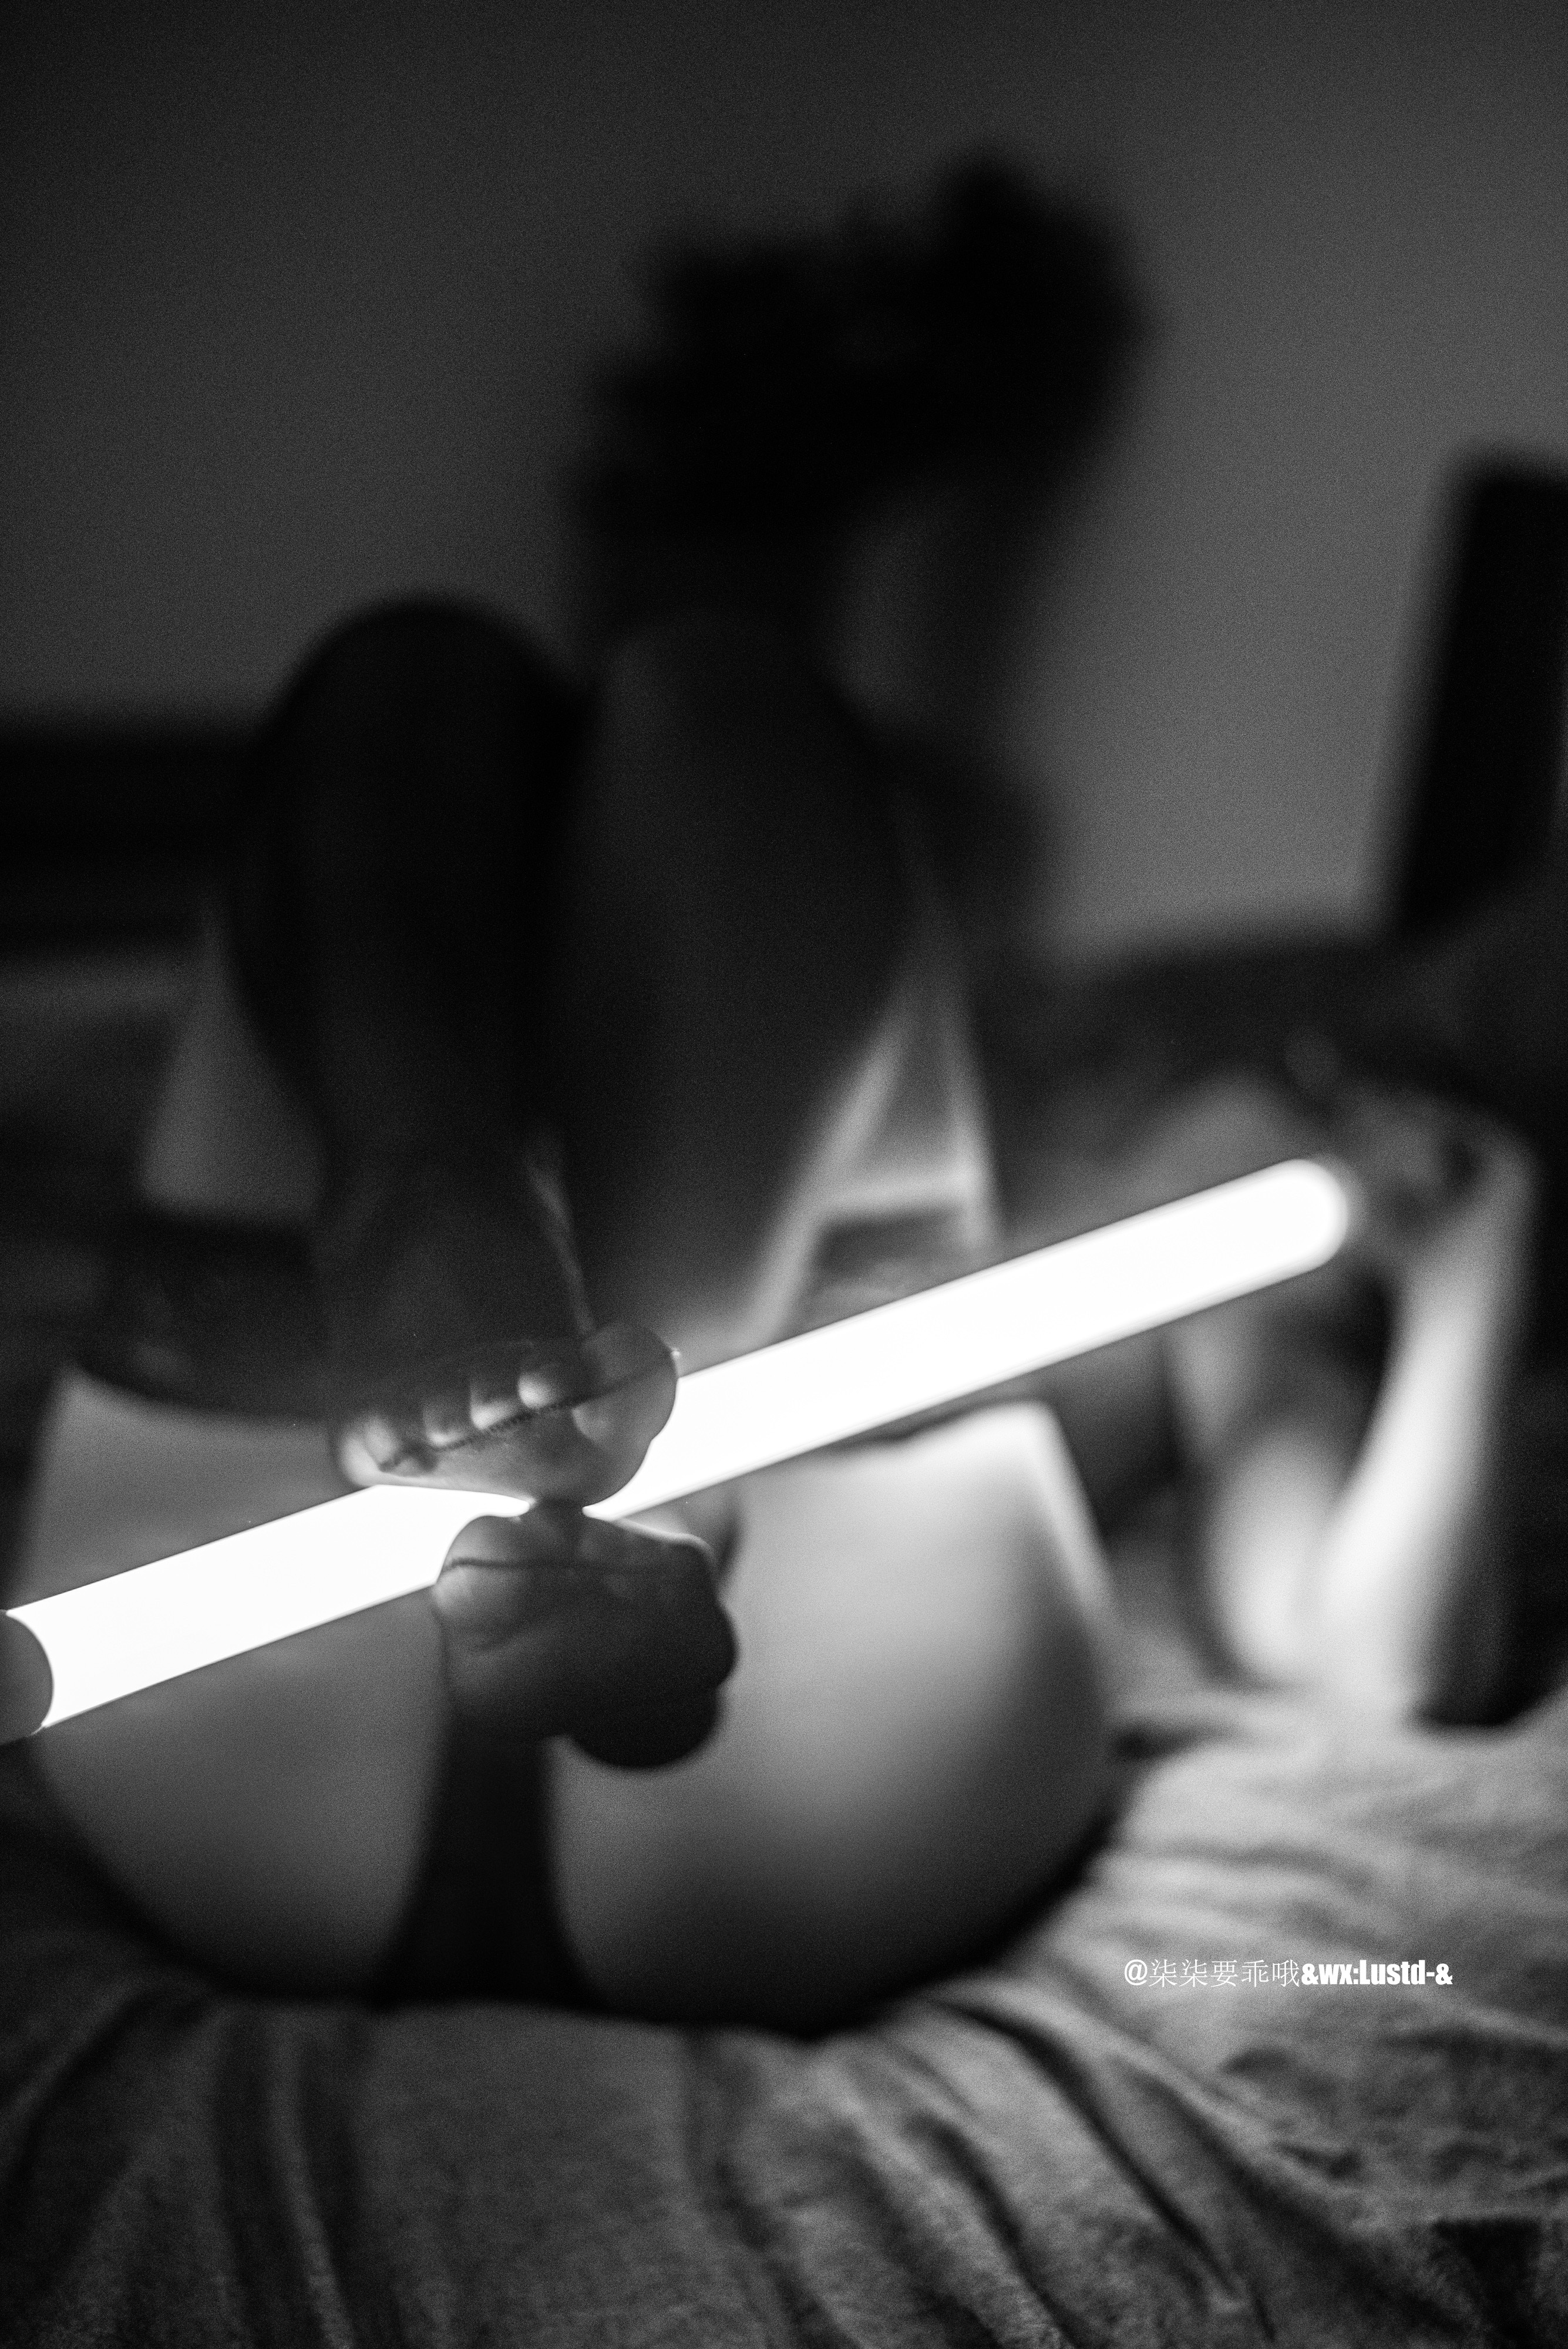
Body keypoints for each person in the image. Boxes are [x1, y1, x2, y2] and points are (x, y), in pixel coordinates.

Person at [8, 601, 1540, 2032]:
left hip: (329, 1762)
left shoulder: (1269, 1191)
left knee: (650, 700)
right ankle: (601, 1391)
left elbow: (1375, 1666)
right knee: (473, 685)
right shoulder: (1253, 1146)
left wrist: (1476, 1278)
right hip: (795, 1804)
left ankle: (462, 1234)